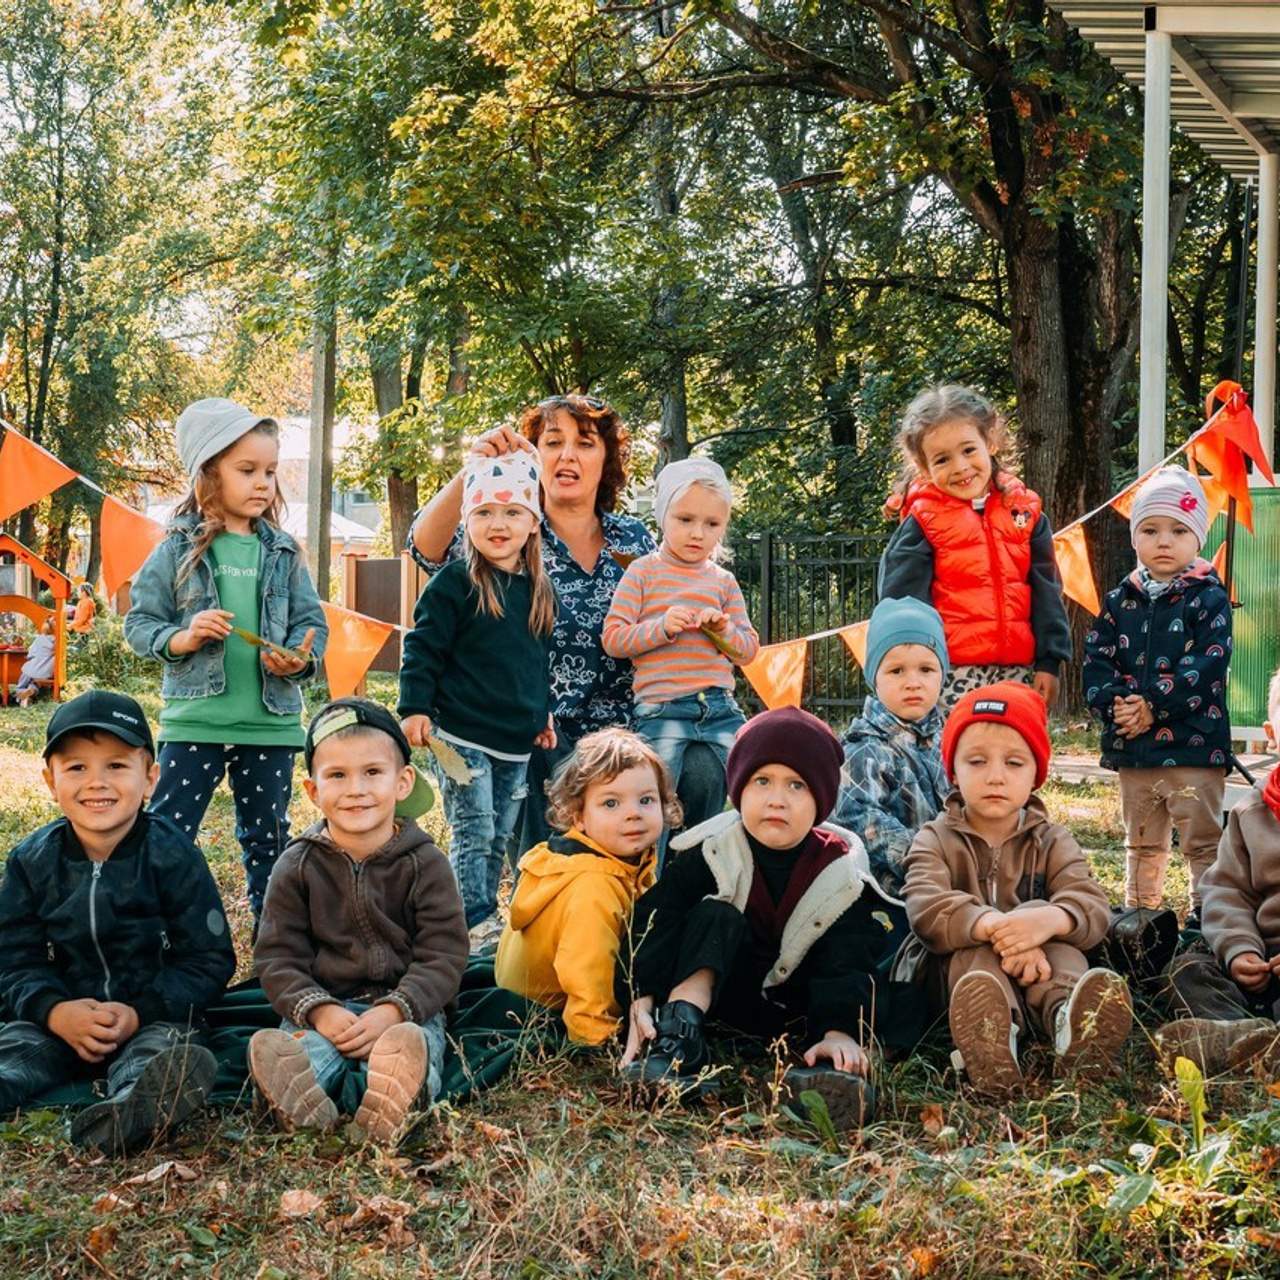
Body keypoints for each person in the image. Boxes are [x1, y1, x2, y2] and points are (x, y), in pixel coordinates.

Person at [408, 397, 724, 854]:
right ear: (532, 458)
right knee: (536, 762)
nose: (567, 455)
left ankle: (662, 901)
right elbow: (424, 550)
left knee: (701, 768)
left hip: (632, 727)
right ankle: (547, 902)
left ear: (606, 460)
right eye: (552, 442)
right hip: (534, 724)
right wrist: (474, 468)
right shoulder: (510, 528)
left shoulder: (633, 539)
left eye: (585, 443)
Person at [617, 707, 928, 1132]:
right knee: (715, 915)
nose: (776, 799)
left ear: (821, 801)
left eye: (796, 786)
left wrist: (839, 1027)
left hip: (802, 1008)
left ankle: (835, 1069)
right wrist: (643, 996)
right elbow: (656, 919)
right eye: (762, 781)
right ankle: (678, 1040)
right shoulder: (711, 849)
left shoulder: (838, 871)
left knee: (904, 999)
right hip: (721, 996)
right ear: (739, 789)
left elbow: (846, 958)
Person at [0, 691, 235, 1155]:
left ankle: (129, 1111)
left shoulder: (173, 856)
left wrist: (139, 1012)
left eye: (116, 766)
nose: (96, 783)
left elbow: (208, 960)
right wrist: (54, 1010)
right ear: (50, 780)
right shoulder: (31, 861)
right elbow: (13, 959)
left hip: (151, 1014)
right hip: (59, 1019)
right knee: (15, 1049)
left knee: (164, 1052)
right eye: (77, 767)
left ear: (150, 778)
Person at [124, 398, 328, 919]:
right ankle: (161, 936)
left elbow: (312, 625)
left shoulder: (282, 550)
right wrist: (184, 637)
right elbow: (140, 624)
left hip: (271, 726)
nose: (263, 483)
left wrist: (299, 660)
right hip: (195, 723)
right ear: (208, 473)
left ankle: (274, 950)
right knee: (169, 834)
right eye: (247, 470)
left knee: (270, 841)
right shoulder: (175, 549)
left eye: (270, 471)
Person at [251, 698, 468, 1142]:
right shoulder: (296, 866)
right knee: (302, 1049)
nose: (356, 789)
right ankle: (293, 1100)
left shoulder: (426, 863)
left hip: (405, 1007)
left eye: (372, 772)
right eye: (337, 775)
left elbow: (444, 953)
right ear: (313, 791)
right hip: (325, 1005)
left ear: (403, 781)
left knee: (410, 1045)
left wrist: (396, 1007)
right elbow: (277, 956)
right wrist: (318, 1009)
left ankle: (398, 1098)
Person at [899, 683, 1131, 1097]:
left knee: (1064, 944)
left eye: (1013, 762)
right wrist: (997, 929)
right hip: (949, 982)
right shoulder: (933, 838)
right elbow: (926, 908)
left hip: (1038, 973)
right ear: (952, 770)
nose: (995, 776)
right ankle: (988, 1041)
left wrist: (1047, 920)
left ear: (1036, 774)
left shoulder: (1053, 839)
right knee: (972, 950)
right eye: (976, 761)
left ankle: (1072, 1026)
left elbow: (1093, 906)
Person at [399, 450, 557, 950]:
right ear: (467, 520)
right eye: (484, 512)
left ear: (533, 523)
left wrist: (542, 712)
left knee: (499, 831)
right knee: (474, 825)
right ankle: (472, 918)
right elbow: (422, 647)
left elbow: (535, 662)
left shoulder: (537, 590)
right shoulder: (456, 582)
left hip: (514, 740)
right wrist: (414, 708)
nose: (498, 524)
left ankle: (483, 915)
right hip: (461, 732)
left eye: (513, 513)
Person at [1082, 465, 1231, 923]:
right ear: (1134, 538)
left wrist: (1154, 705)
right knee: (1141, 840)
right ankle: (1139, 921)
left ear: (1198, 538)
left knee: (1201, 840)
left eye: (1178, 530)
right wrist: (1118, 706)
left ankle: (1206, 922)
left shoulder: (1208, 598)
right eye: (1150, 529)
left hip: (1194, 747)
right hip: (1136, 751)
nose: (1164, 541)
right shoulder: (1118, 600)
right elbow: (1097, 660)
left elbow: (1206, 665)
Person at [878, 384, 1072, 712]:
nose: (960, 467)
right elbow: (902, 603)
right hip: (949, 672)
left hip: (1017, 671)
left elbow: (1047, 591)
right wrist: (912, 669)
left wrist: (1050, 660)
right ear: (923, 467)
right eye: (942, 459)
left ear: (990, 441)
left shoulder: (1025, 512)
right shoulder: (922, 522)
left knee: (1013, 758)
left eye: (968, 450)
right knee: (956, 761)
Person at [602, 458, 758, 851]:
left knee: (754, 786)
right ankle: (650, 889)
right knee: (654, 802)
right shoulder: (642, 572)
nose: (697, 533)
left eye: (712, 524)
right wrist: (662, 627)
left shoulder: (723, 581)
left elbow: (748, 651)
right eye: (685, 519)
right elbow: (614, 639)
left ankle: (732, 873)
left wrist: (723, 631)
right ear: (662, 516)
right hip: (663, 709)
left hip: (720, 707)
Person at [495, 728, 679, 1045]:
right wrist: (598, 1038)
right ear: (578, 816)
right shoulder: (593, 884)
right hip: (536, 1008)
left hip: (526, 988)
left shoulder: (624, 860)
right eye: (611, 803)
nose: (633, 813)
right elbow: (586, 969)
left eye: (646, 800)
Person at [1153, 666, 1280, 1076]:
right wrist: (1240, 949)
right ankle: (1245, 1037)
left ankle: (1255, 1046)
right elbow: (1227, 892)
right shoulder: (1250, 813)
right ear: (1271, 733)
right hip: (1260, 957)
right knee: (1187, 970)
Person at [831, 597, 951, 921]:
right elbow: (857, 817)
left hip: (958, 879)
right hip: (892, 897)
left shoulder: (953, 741)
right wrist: (932, 856)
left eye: (926, 669)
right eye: (897, 670)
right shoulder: (864, 748)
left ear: (942, 673)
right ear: (874, 677)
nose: (913, 682)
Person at [13, 616, 55, 707]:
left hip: (31, 670)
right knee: (34, 683)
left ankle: (21, 694)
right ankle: (29, 695)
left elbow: (30, 655)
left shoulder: (39, 639)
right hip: (46, 672)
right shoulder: (57, 642)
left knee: (21, 684)